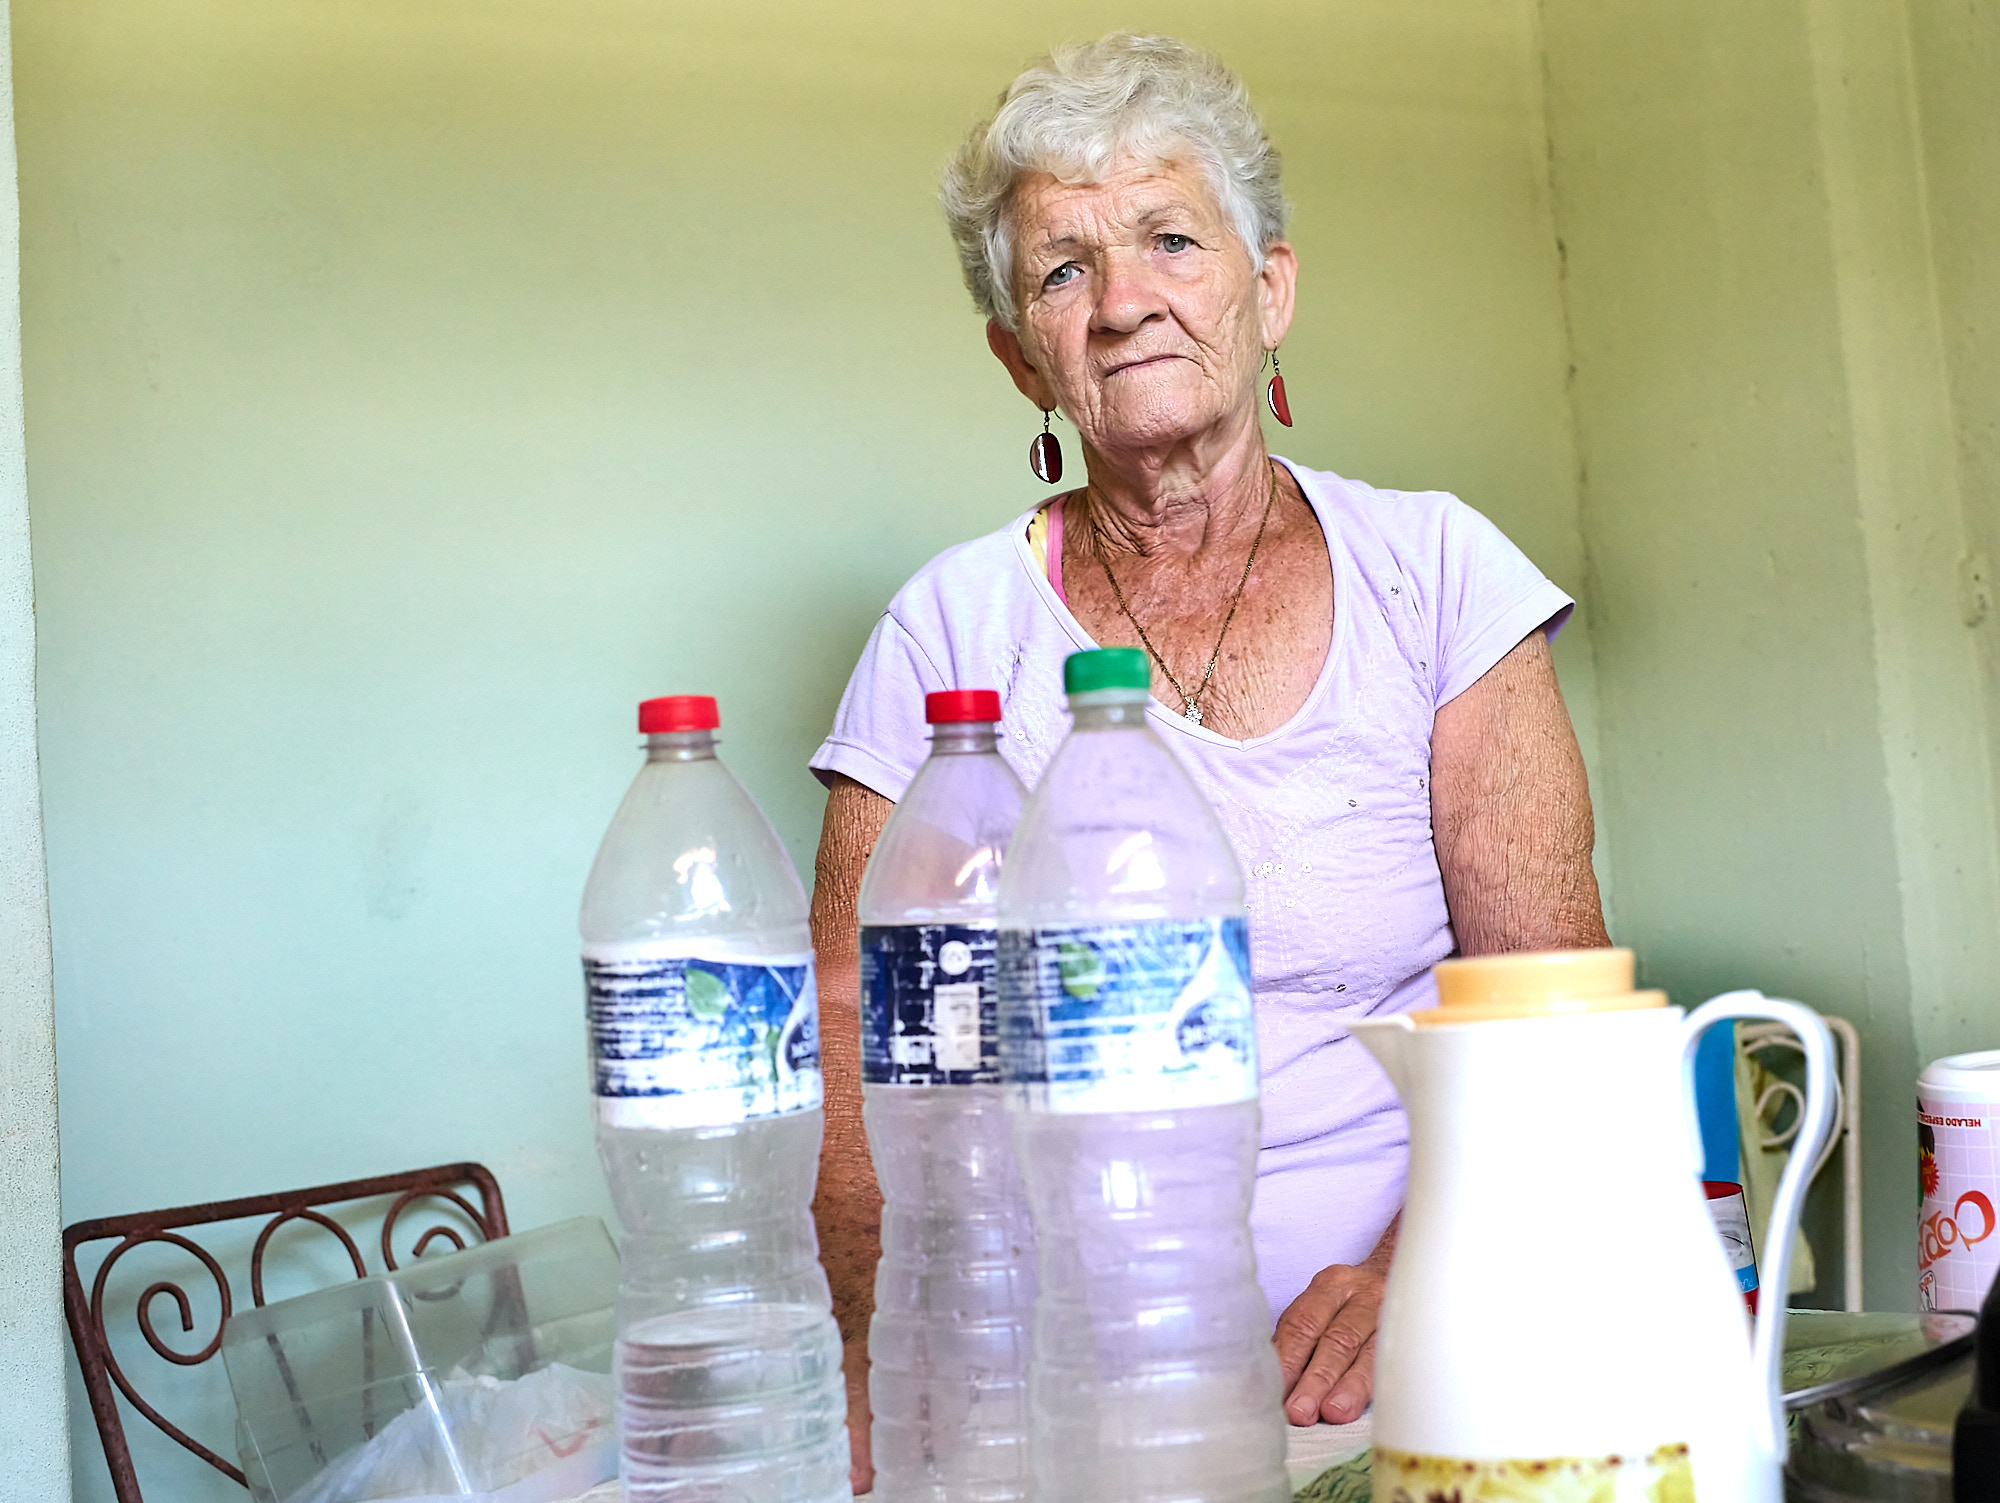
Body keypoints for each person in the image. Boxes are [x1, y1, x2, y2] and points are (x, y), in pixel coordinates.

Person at [807, 32, 1610, 1492]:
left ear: (1269, 289)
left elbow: (1544, 1012)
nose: (1124, 304)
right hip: (1060, 1393)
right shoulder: (946, 635)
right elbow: (861, 1064)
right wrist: (884, 1365)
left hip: (1421, 1334)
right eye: (1061, 272)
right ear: (1018, 358)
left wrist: (1416, 1277)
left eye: (1171, 238)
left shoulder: (1438, 575)